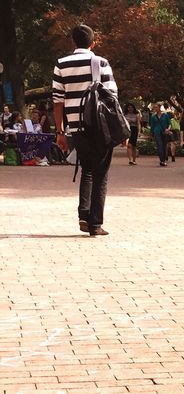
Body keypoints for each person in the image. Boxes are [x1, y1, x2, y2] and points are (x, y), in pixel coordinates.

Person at [52, 23, 118, 236]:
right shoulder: (101, 62)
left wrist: (60, 132)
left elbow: (57, 102)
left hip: (76, 128)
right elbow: (113, 98)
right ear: (94, 43)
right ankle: (95, 224)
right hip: (100, 127)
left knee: (87, 170)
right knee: (101, 173)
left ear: (73, 42)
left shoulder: (61, 64)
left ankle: (83, 216)